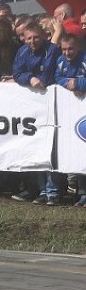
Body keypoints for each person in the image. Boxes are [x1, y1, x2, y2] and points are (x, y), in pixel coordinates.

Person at [12, 21, 62, 205]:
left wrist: (36, 78)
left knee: (51, 149)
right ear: (24, 39)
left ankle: (53, 192)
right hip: (31, 107)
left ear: (44, 36)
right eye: (29, 38)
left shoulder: (52, 50)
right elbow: (17, 72)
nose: (32, 41)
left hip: (51, 105)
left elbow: (48, 73)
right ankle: (41, 190)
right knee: (36, 148)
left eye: (36, 38)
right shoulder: (22, 52)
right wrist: (29, 78)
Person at [55, 34, 86, 206]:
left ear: (78, 48)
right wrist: (69, 83)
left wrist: (80, 84)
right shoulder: (60, 60)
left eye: (70, 49)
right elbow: (57, 78)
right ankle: (81, 192)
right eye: (64, 49)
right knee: (79, 154)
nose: (67, 53)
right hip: (73, 114)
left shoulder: (84, 59)